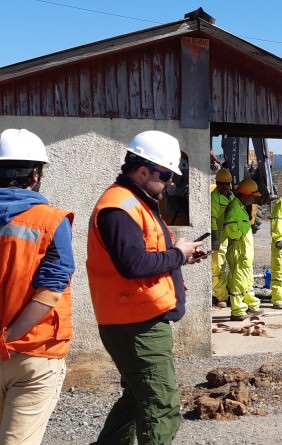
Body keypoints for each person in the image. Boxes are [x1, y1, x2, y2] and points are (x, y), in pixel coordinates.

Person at [87, 130, 203, 444]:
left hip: (135, 318)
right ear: (142, 171)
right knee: (160, 406)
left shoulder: (135, 203)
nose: (170, 183)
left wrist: (181, 255)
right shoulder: (120, 209)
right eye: (166, 175)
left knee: (138, 399)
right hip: (135, 323)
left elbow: (144, 255)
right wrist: (178, 254)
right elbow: (133, 264)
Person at [0, 129, 75, 445]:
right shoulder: (50, 221)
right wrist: (7, 337)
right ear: (36, 174)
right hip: (32, 351)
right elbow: (51, 289)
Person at [225, 178, 264, 321]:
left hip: (244, 252)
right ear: (246, 195)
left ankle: (251, 305)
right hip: (238, 251)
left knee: (247, 281)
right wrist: (239, 234)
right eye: (253, 196)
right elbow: (230, 230)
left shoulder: (240, 208)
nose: (254, 199)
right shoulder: (234, 208)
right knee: (238, 281)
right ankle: (237, 311)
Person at [210, 169, 234, 308]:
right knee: (217, 268)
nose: (225, 187)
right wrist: (215, 236)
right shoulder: (214, 197)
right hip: (219, 234)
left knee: (232, 266)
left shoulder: (231, 197)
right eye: (222, 184)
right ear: (217, 184)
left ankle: (232, 293)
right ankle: (221, 297)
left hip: (229, 235)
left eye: (227, 184)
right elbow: (212, 217)